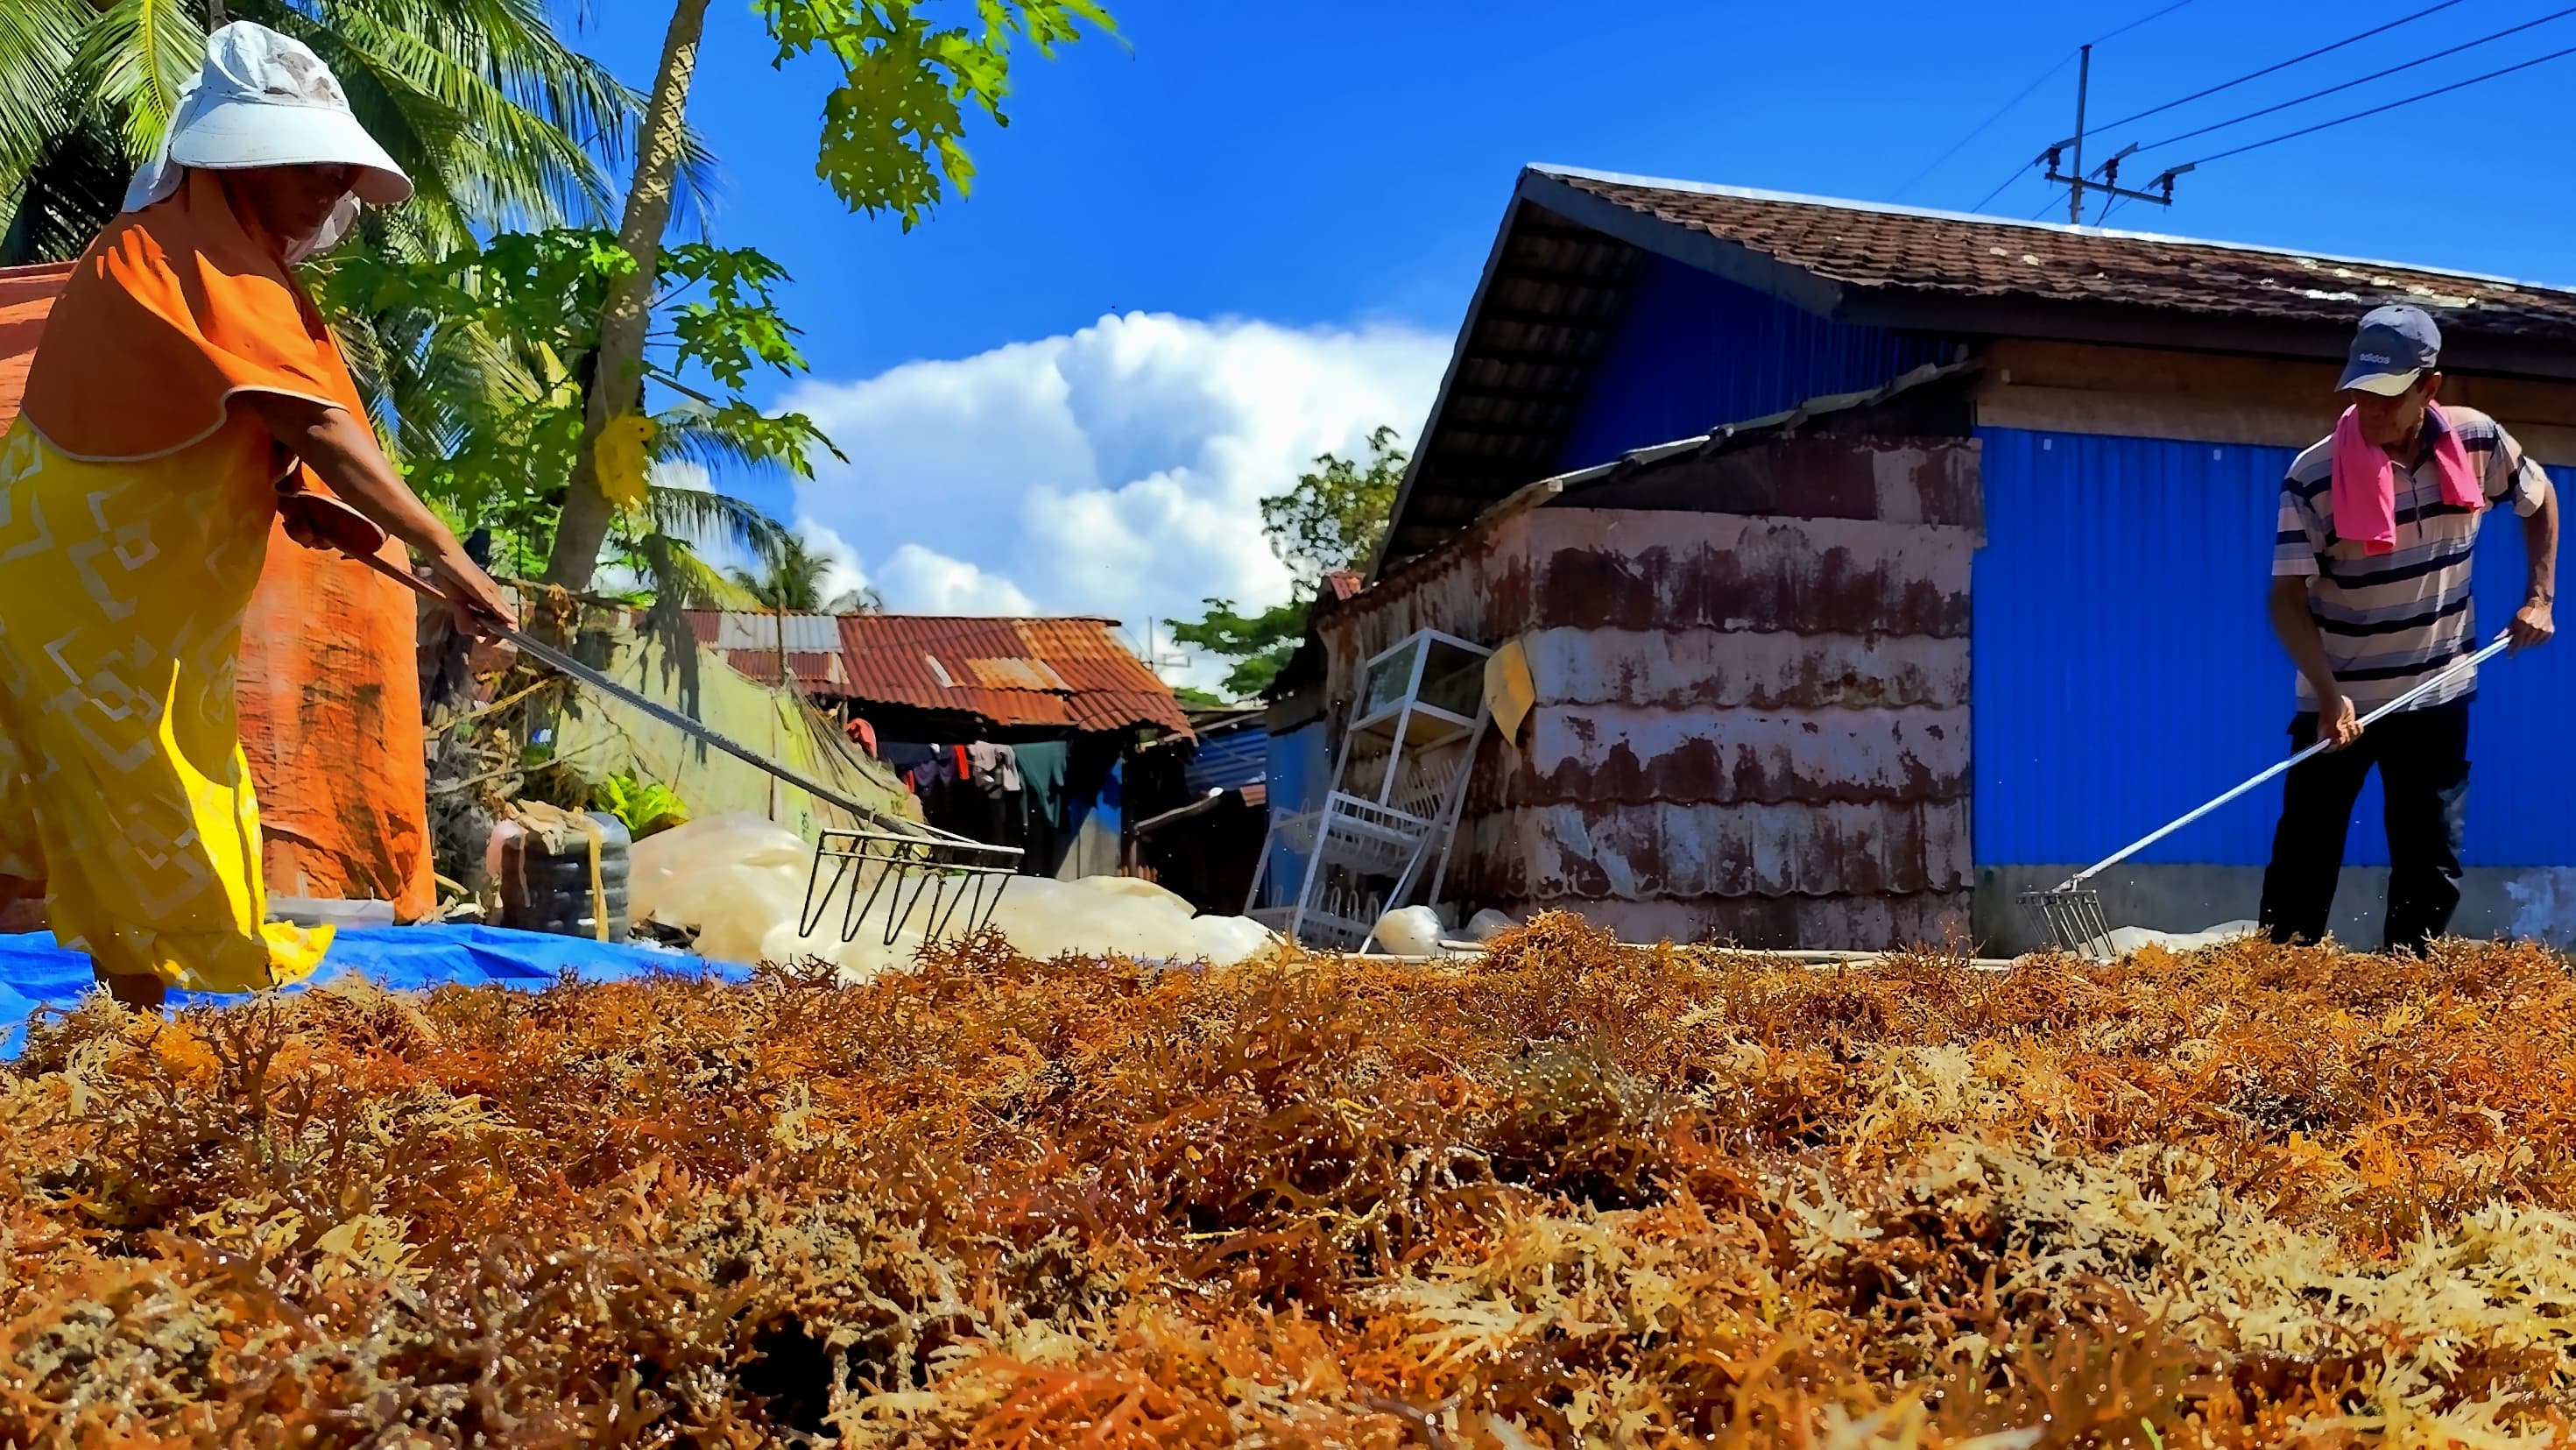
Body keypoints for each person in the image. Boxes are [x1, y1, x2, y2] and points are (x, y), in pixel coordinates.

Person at [0, 24, 511, 1009]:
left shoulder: (238, 274)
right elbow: (308, 416)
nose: (333, 188)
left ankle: (131, 1035)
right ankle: (134, 1037)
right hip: (79, 599)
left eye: (340, 170)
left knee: (139, 784)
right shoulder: (175, 253)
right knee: (135, 790)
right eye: (311, 164)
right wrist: (445, 551)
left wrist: (300, 498)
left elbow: (235, 428)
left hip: (141, 611)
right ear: (244, 161)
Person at [2261, 304, 2558, 953]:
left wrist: (2539, 595)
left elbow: (2539, 499)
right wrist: (2327, 689)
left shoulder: (2479, 442)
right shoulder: (2312, 475)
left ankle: (2409, 990)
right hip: (2336, 695)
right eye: (2359, 393)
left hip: (2435, 691)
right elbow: (2284, 598)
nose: (2369, 411)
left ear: (2429, 387)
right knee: (2304, 856)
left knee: (2429, 858)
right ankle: (2275, 986)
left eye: (2387, 396)